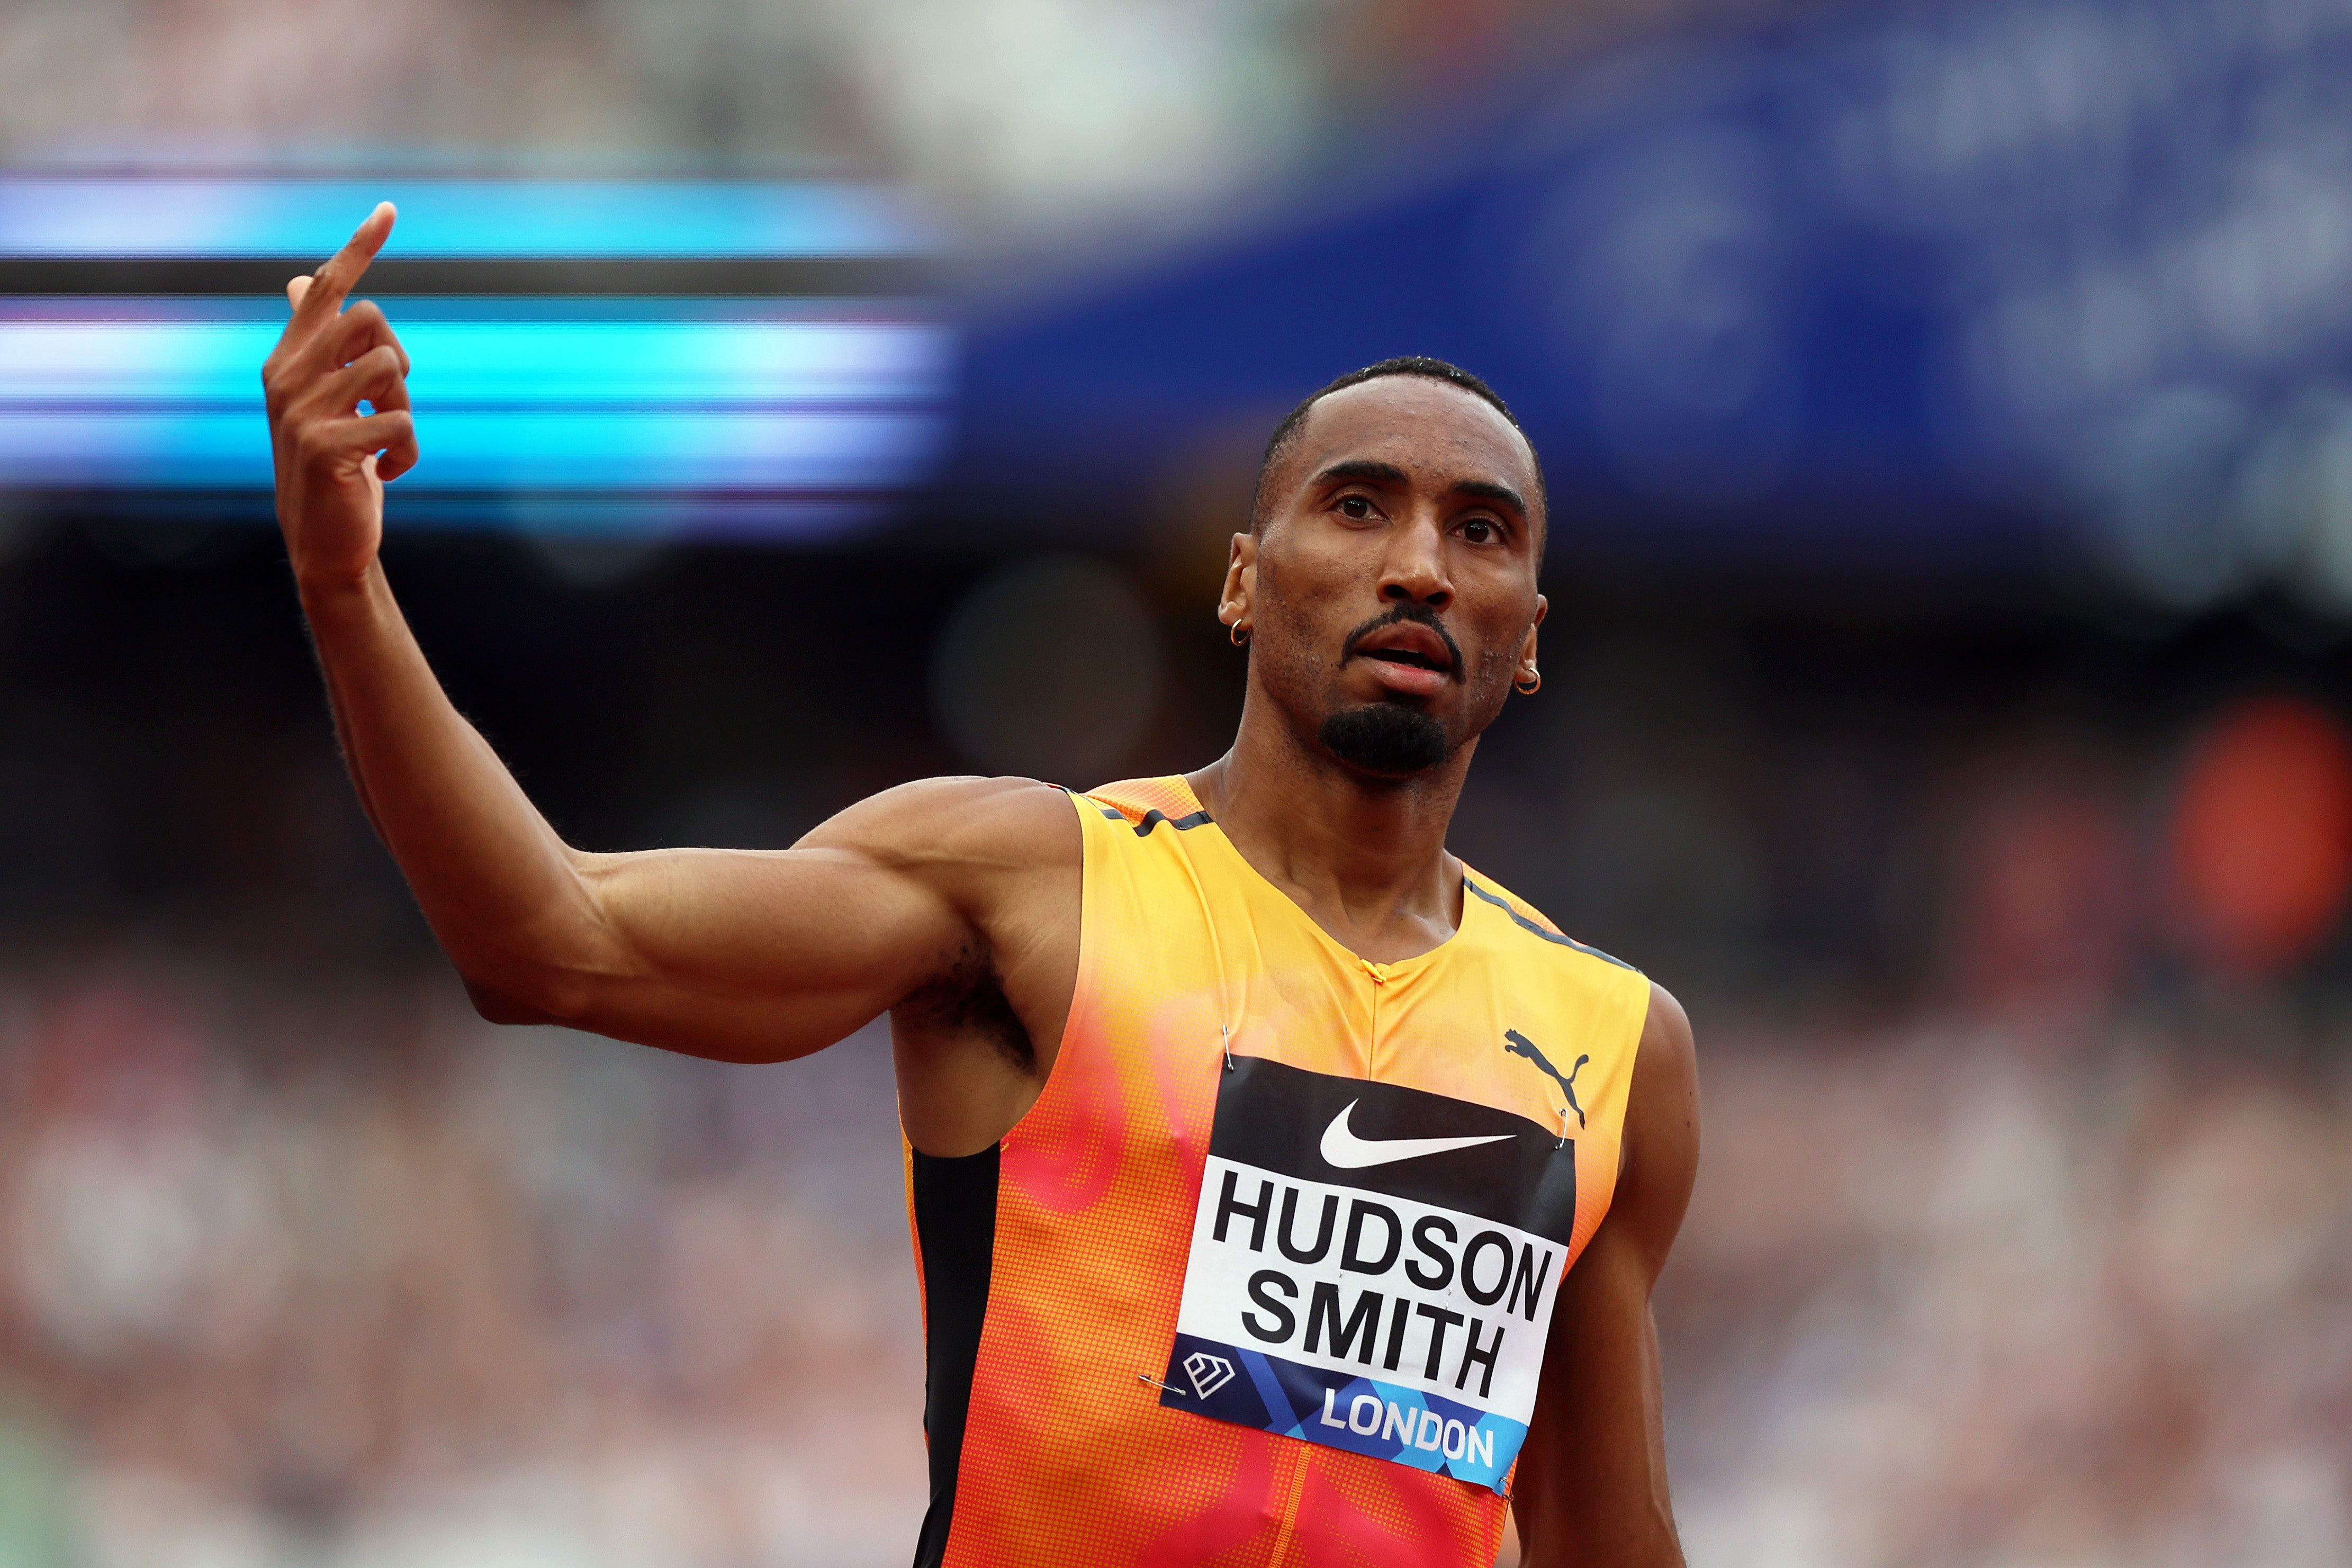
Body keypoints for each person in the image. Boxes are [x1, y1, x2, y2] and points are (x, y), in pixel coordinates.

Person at [263, 203, 1700, 1568]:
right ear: (1244, 582)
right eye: (1358, 505)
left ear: (1526, 637)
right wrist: (346, 591)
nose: (1417, 567)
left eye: (1480, 530)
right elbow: (548, 940)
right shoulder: (1027, 885)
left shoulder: (1611, 1047)